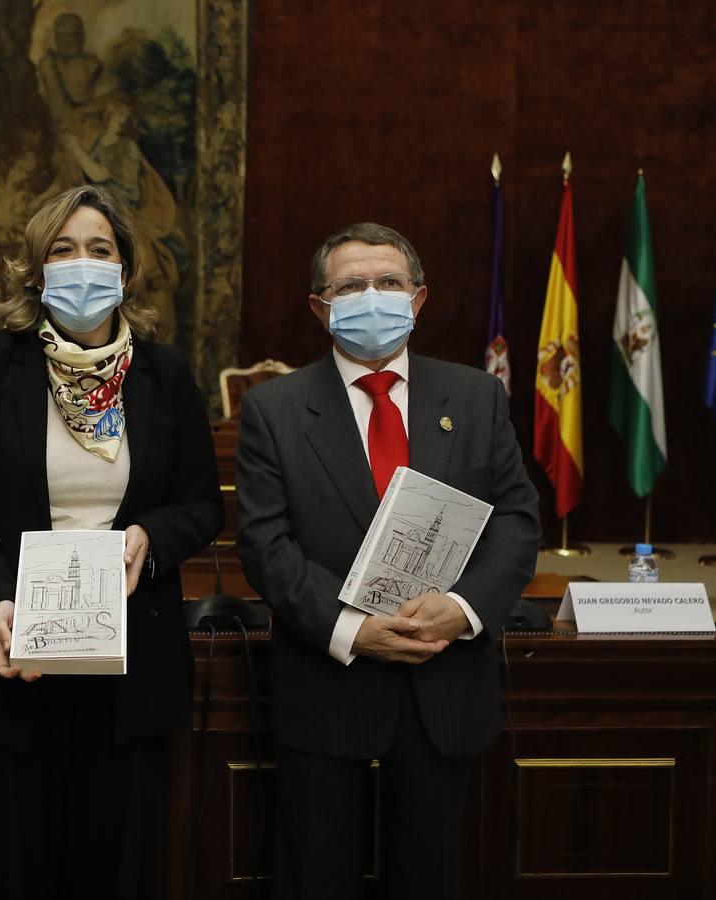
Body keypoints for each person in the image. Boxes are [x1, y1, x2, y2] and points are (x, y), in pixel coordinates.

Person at [0, 184, 223, 899]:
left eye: (99, 249)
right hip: (11, 660)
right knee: (15, 867)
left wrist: (151, 536)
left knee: (118, 868)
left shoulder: (165, 373)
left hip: (130, 666)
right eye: (62, 250)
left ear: (126, 268)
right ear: (36, 269)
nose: (82, 263)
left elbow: (201, 503)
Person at [235, 223, 540, 900]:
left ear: (418, 297)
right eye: (350, 286)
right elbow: (264, 544)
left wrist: (461, 609)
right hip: (327, 688)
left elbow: (517, 522)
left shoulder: (476, 397)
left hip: (444, 685)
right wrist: (352, 629)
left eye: (388, 282)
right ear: (319, 307)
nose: (371, 296)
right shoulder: (273, 409)